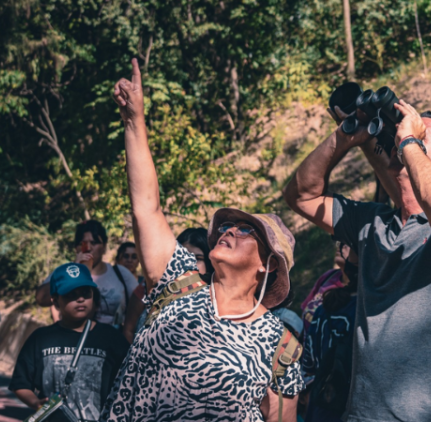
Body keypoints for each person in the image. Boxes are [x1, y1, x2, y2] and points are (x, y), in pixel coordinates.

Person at [102, 59, 304, 421]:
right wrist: (134, 122)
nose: (229, 230)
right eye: (228, 226)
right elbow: (147, 208)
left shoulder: (281, 345)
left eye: (246, 231)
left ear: (267, 264)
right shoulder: (177, 281)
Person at [284, 95, 431, 421]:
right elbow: (300, 195)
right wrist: (346, 135)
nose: (400, 136)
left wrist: (410, 140)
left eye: (422, 136)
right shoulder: (372, 222)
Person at [9, 263, 129, 420]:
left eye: (86, 293)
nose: (80, 299)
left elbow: (128, 383)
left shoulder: (112, 339)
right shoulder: (40, 339)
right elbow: (21, 383)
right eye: (71, 294)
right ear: (56, 301)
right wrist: (37, 403)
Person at [36, 220, 139, 326]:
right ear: (77, 248)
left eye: (94, 243)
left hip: (110, 338)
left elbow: (141, 304)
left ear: (104, 247)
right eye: (83, 244)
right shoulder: (66, 272)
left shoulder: (120, 273)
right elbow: (41, 299)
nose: (88, 248)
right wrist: (76, 269)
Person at [121, 228, 212, 343]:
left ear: (210, 263)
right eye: (183, 258)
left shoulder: (218, 298)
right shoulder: (150, 288)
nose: (189, 265)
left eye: (197, 258)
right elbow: (128, 331)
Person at [303, 247, 359, 422]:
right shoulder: (371, 310)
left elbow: (308, 363)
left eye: (346, 243)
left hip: (323, 402)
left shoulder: (324, 309)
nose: (339, 246)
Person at [300, 242, 347, 334]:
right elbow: (304, 309)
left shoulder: (358, 294)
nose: (340, 245)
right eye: (340, 241)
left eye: (347, 243)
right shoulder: (329, 276)